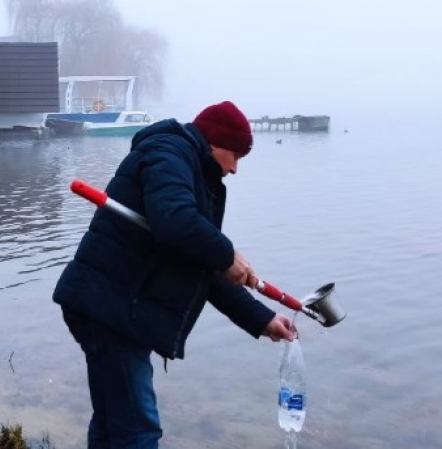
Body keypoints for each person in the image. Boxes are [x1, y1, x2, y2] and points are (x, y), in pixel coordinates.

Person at [52, 100, 297, 449]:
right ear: (215, 143)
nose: (236, 169)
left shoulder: (195, 174)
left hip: (114, 306)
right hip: (110, 308)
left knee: (114, 421)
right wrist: (227, 254)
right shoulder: (170, 153)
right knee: (138, 429)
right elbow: (175, 221)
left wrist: (262, 319)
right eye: (236, 156)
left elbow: (202, 268)